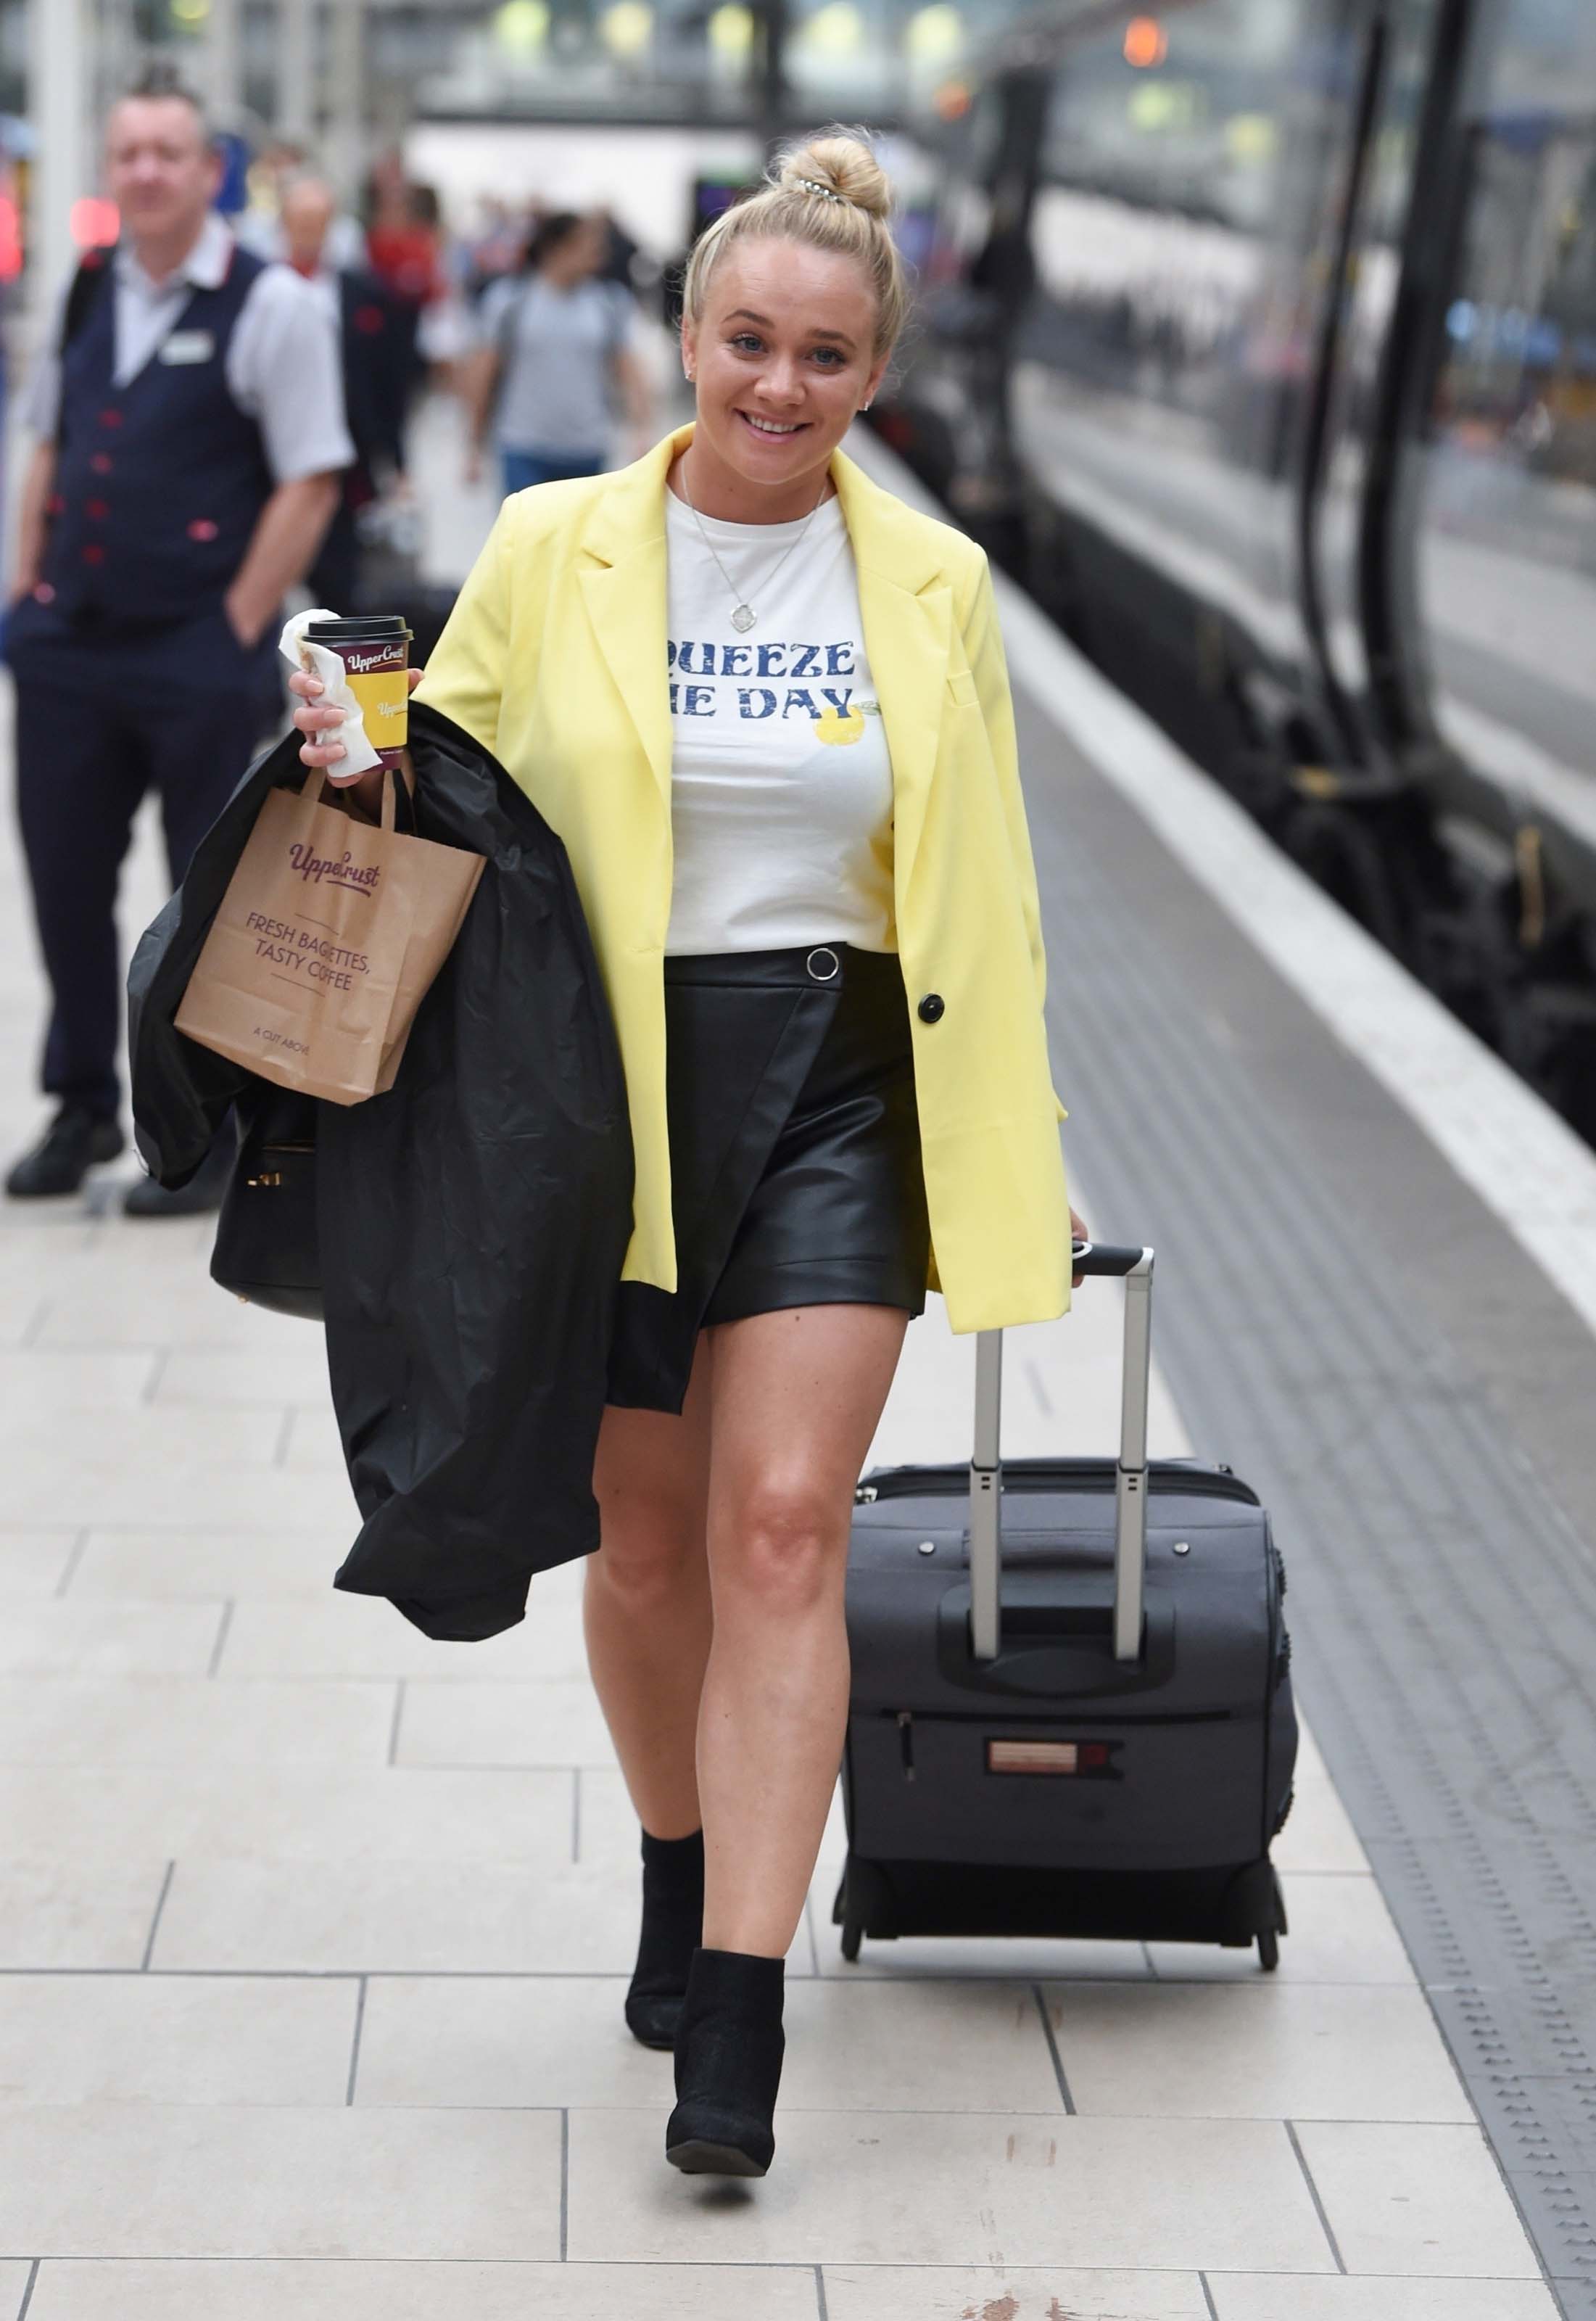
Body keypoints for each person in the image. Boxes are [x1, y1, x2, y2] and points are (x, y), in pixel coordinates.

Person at [290, 126, 1086, 2180]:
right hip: (603, 1092)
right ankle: (675, 1863)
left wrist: (1015, 1140)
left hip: (834, 1080)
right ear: (688, 335)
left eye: (826, 357)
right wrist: (344, 755)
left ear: (873, 374)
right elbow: (434, 789)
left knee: (780, 1532)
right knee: (643, 1542)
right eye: (748, 340)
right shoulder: (553, 545)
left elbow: (981, 891)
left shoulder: (936, 583)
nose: (779, 387)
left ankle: (738, 2018)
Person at [5, 68, 353, 1212]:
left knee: (203, 898)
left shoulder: (272, 304)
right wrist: (28, 591)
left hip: (196, 652)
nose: (147, 172)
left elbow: (311, 475)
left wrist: (238, 623)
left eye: (170, 153)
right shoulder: (87, 287)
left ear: (212, 173)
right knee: (62, 882)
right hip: (73, 647)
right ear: (112, 174)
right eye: (130, 154)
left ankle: (199, 1132)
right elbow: (50, 447)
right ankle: (81, 1108)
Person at [278, 173, 414, 611]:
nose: (309, 232)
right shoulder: (261, 292)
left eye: (318, 221)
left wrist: (397, 460)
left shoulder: (362, 294)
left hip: (343, 460)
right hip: (272, 461)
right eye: (300, 220)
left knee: (341, 586)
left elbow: (388, 380)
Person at [462, 208, 653, 495]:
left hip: (587, 448)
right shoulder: (510, 301)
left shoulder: (608, 304)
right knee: (527, 539)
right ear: (556, 248)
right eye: (585, 244)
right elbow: (484, 373)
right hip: (524, 446)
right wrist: (473, 444)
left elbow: (628, 369)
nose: (596, 253)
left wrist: (641, 430)